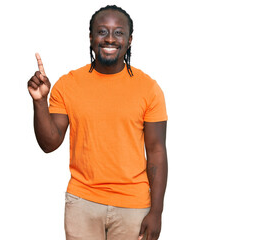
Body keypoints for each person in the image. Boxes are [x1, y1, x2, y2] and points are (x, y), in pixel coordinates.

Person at [27, 5, 168, 240]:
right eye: (102, 32)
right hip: (83, 202)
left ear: (130, 40)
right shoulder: (68, 84)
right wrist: (40, 102)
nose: (110, 39)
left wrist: (157, 211)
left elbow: (156, 151)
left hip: (133, 205)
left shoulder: (149, 89)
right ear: (91, 37)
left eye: (118, 32)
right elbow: (49, 143)